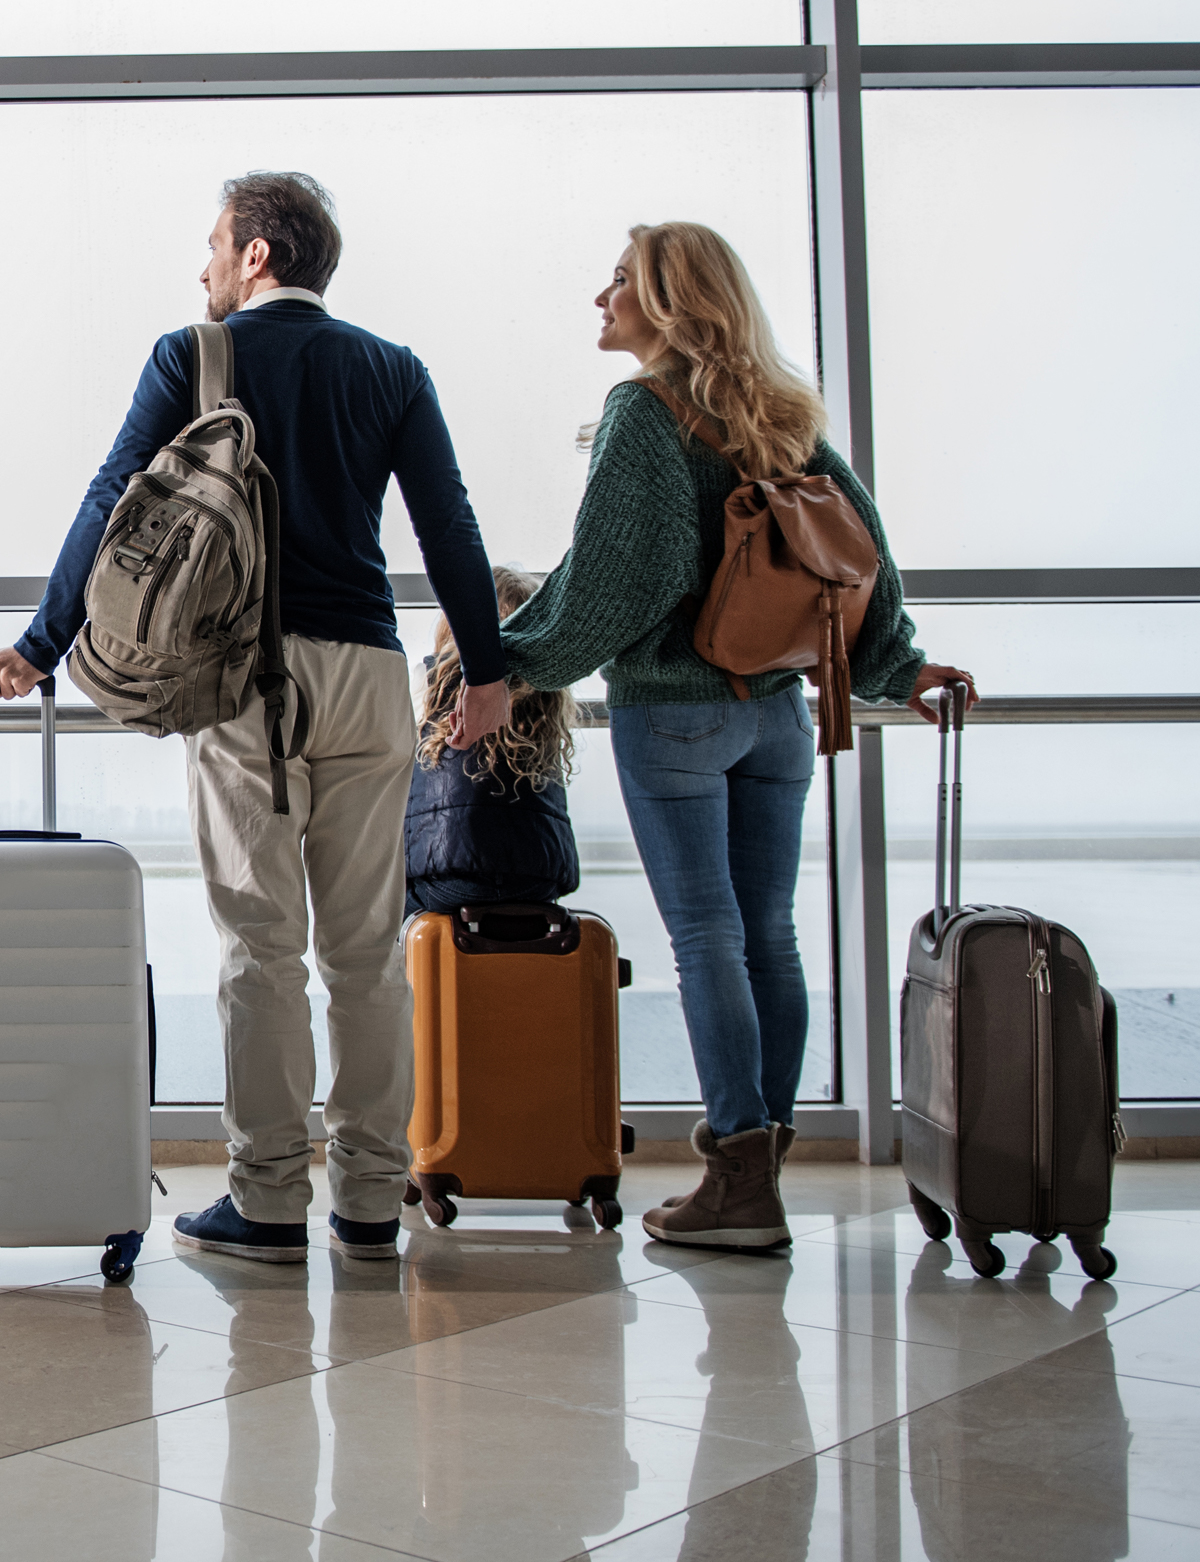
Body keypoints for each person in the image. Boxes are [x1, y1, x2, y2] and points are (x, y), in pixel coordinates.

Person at [0, 172, 510, 1262]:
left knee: (260, 949)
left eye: (216, 247)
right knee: (370, 952)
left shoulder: (195, 355)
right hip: (371, 675)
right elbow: (448, 524)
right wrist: (491, 672)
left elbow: (113, 495)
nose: (205, 269)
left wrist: (41, 644)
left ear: (260, 255)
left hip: (248, 681)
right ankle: (372, 1199)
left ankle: (271, 1200)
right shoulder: (395, 370)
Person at [501, 221, 978, 1250]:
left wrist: (511, 663)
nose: (601, 297)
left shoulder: (645, 409)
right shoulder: (780, 410)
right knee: (769, 933)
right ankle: (760, 1166)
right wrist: (897, 665)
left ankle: (740, 1182)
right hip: (779, 711)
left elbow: (622, 580)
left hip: (675, 708)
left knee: (709, 937)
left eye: (619, 279)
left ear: (667, 302)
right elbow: (860, 556)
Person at [404, 566, 580, 920]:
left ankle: (407, 975)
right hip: (539, 879)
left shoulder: (438, 680)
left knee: (392, 901)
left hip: (448, 881)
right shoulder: (548, 696)